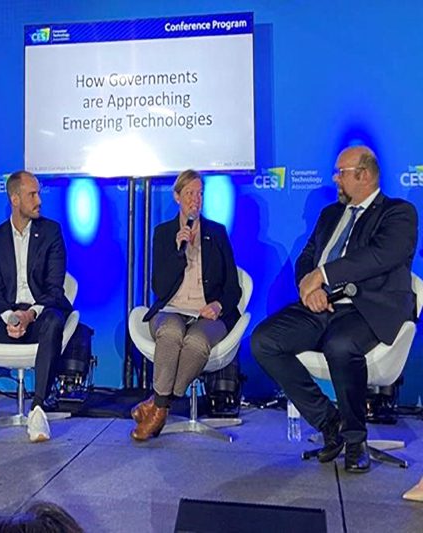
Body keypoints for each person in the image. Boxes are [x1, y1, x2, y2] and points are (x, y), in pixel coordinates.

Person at [251, 146, 418, 473]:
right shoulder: (330, 214)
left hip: (366, 309)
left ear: (364, 175)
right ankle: (331, 423)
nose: (335, 179)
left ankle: (355, 440)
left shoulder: (398, 213)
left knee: (340, 345)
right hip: (320, 306)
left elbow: (379, 256)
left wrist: (323, 275)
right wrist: (309, 287)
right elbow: (307, 257)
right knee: (264, 341)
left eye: (341, 172)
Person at [0, 171, 72, 443]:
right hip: (6, 314)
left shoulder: (51, 232)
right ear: (15, 199)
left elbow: (55, 289)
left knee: (54, 321)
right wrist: (10, 317)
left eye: (39, 193)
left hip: (40, 313)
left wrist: (28, 315)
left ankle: (38, 408)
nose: (39, 200)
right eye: (32, 194)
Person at [131, 169, 242, 440]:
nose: (196, 199)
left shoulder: (217, 232)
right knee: (170, 333)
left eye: (200, 193)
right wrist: (177, 251)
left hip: (207, 314)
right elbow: (159, 286)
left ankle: (158, 406)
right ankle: (160, 407)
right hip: (171, 309)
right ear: (177, 197)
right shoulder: (163, 233)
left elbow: (233, 287)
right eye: (190, 193)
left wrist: (218, 306)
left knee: (195, 343)